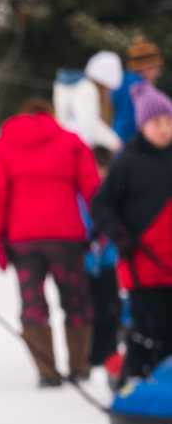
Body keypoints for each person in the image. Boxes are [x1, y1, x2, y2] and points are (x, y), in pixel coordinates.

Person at [0, 99, 100, 385]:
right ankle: (79, 365)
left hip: (23, 240)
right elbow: (92, 186)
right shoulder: (71, 142)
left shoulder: (3, 145)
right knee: (75, 301)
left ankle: (47, 372)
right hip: (65, 237)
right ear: (50, 115)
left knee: (32, 304)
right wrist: (98, 230)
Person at [93, 82, 172, 383]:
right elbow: (101, 205)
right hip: (144, 265)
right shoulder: (128, 161)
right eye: (156, 123)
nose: (164, 129)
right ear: (142, 125)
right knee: (147, 333)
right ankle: (136, 387)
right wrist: (121, 237)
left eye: (168, 121)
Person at [87, 146, 123, 368]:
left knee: (111, 307)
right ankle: (93, 354)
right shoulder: (83, 192)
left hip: (110, 260)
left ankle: (108, 353)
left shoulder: (115, 192)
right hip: (87, 261)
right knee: (92, 309)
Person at [53, 51, 123, 153]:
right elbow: (89, 126)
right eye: (108, 88)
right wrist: (115, 143)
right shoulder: (87, 90)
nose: (108, 93)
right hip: (76, 152)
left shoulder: (66, 88)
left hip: (63, 148)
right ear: (104, 82)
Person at [112, 36, 163, 144]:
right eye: (156, 67)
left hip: (115, 137)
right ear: (147, 67)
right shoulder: (142, 88)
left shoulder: (120, 81)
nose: (158, 72)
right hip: (131, 142)